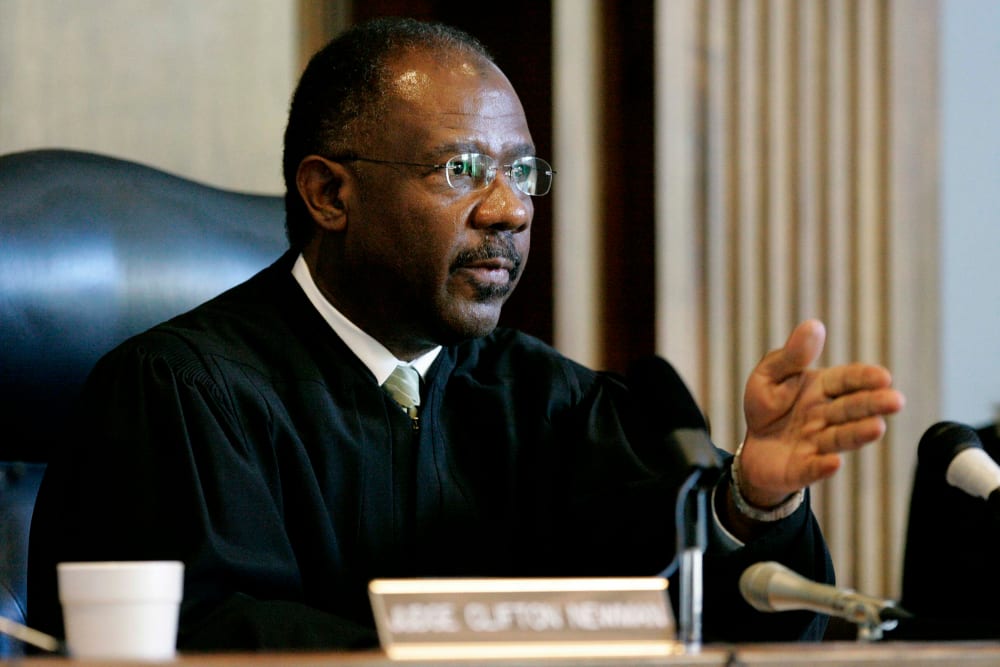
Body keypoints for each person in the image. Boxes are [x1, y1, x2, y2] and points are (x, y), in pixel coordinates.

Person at [27, 17, 905, 651]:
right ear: (330, 193)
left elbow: (726, 621)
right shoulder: (178, 395)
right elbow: (216, 638)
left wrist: (753, 503)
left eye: (523, 171)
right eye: (461, 170)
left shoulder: (542, 398)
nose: (511, 208)